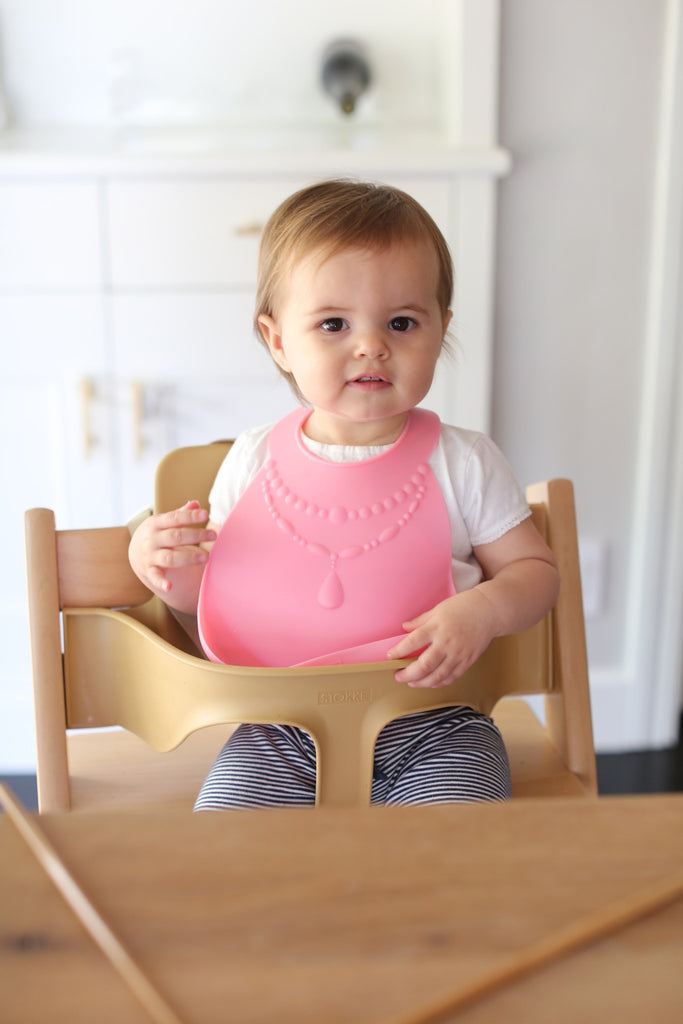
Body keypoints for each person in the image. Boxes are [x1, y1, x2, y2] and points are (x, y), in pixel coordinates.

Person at [129, 179, 559, 810]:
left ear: (440, 329)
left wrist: (484, 611)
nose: (371, 345)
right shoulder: (253, 460)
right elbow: (217, 597)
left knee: (459, 864)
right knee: (220, 858)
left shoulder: (463, 461)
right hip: (278, 729)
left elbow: (535, 572)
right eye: (333, 323)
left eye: (402, 322)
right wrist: (159, 563)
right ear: (278, 341)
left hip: (437, 725)